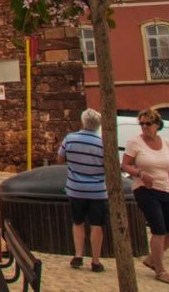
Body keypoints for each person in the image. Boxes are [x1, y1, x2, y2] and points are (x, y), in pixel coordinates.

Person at [122, 108, 169, 284]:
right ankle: (160, 270)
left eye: (148, 123)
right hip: (144, 189)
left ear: (157, 125)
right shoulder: (135, 143)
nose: (144, 127)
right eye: (141, 123)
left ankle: (152, 258)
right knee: (158, 229)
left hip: (165, 188)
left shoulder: (166, 143)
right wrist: (141, 173)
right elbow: (125, 165)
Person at [57, 108, 107, 272]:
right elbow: (108, 167)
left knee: (77, 222)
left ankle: (78, 255)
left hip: (76, 189)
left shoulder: (70, 139)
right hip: (98, 191)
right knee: (96, 225)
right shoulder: (103, 143)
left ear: (83, 121)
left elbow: (60, 158)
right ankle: (95, 260)